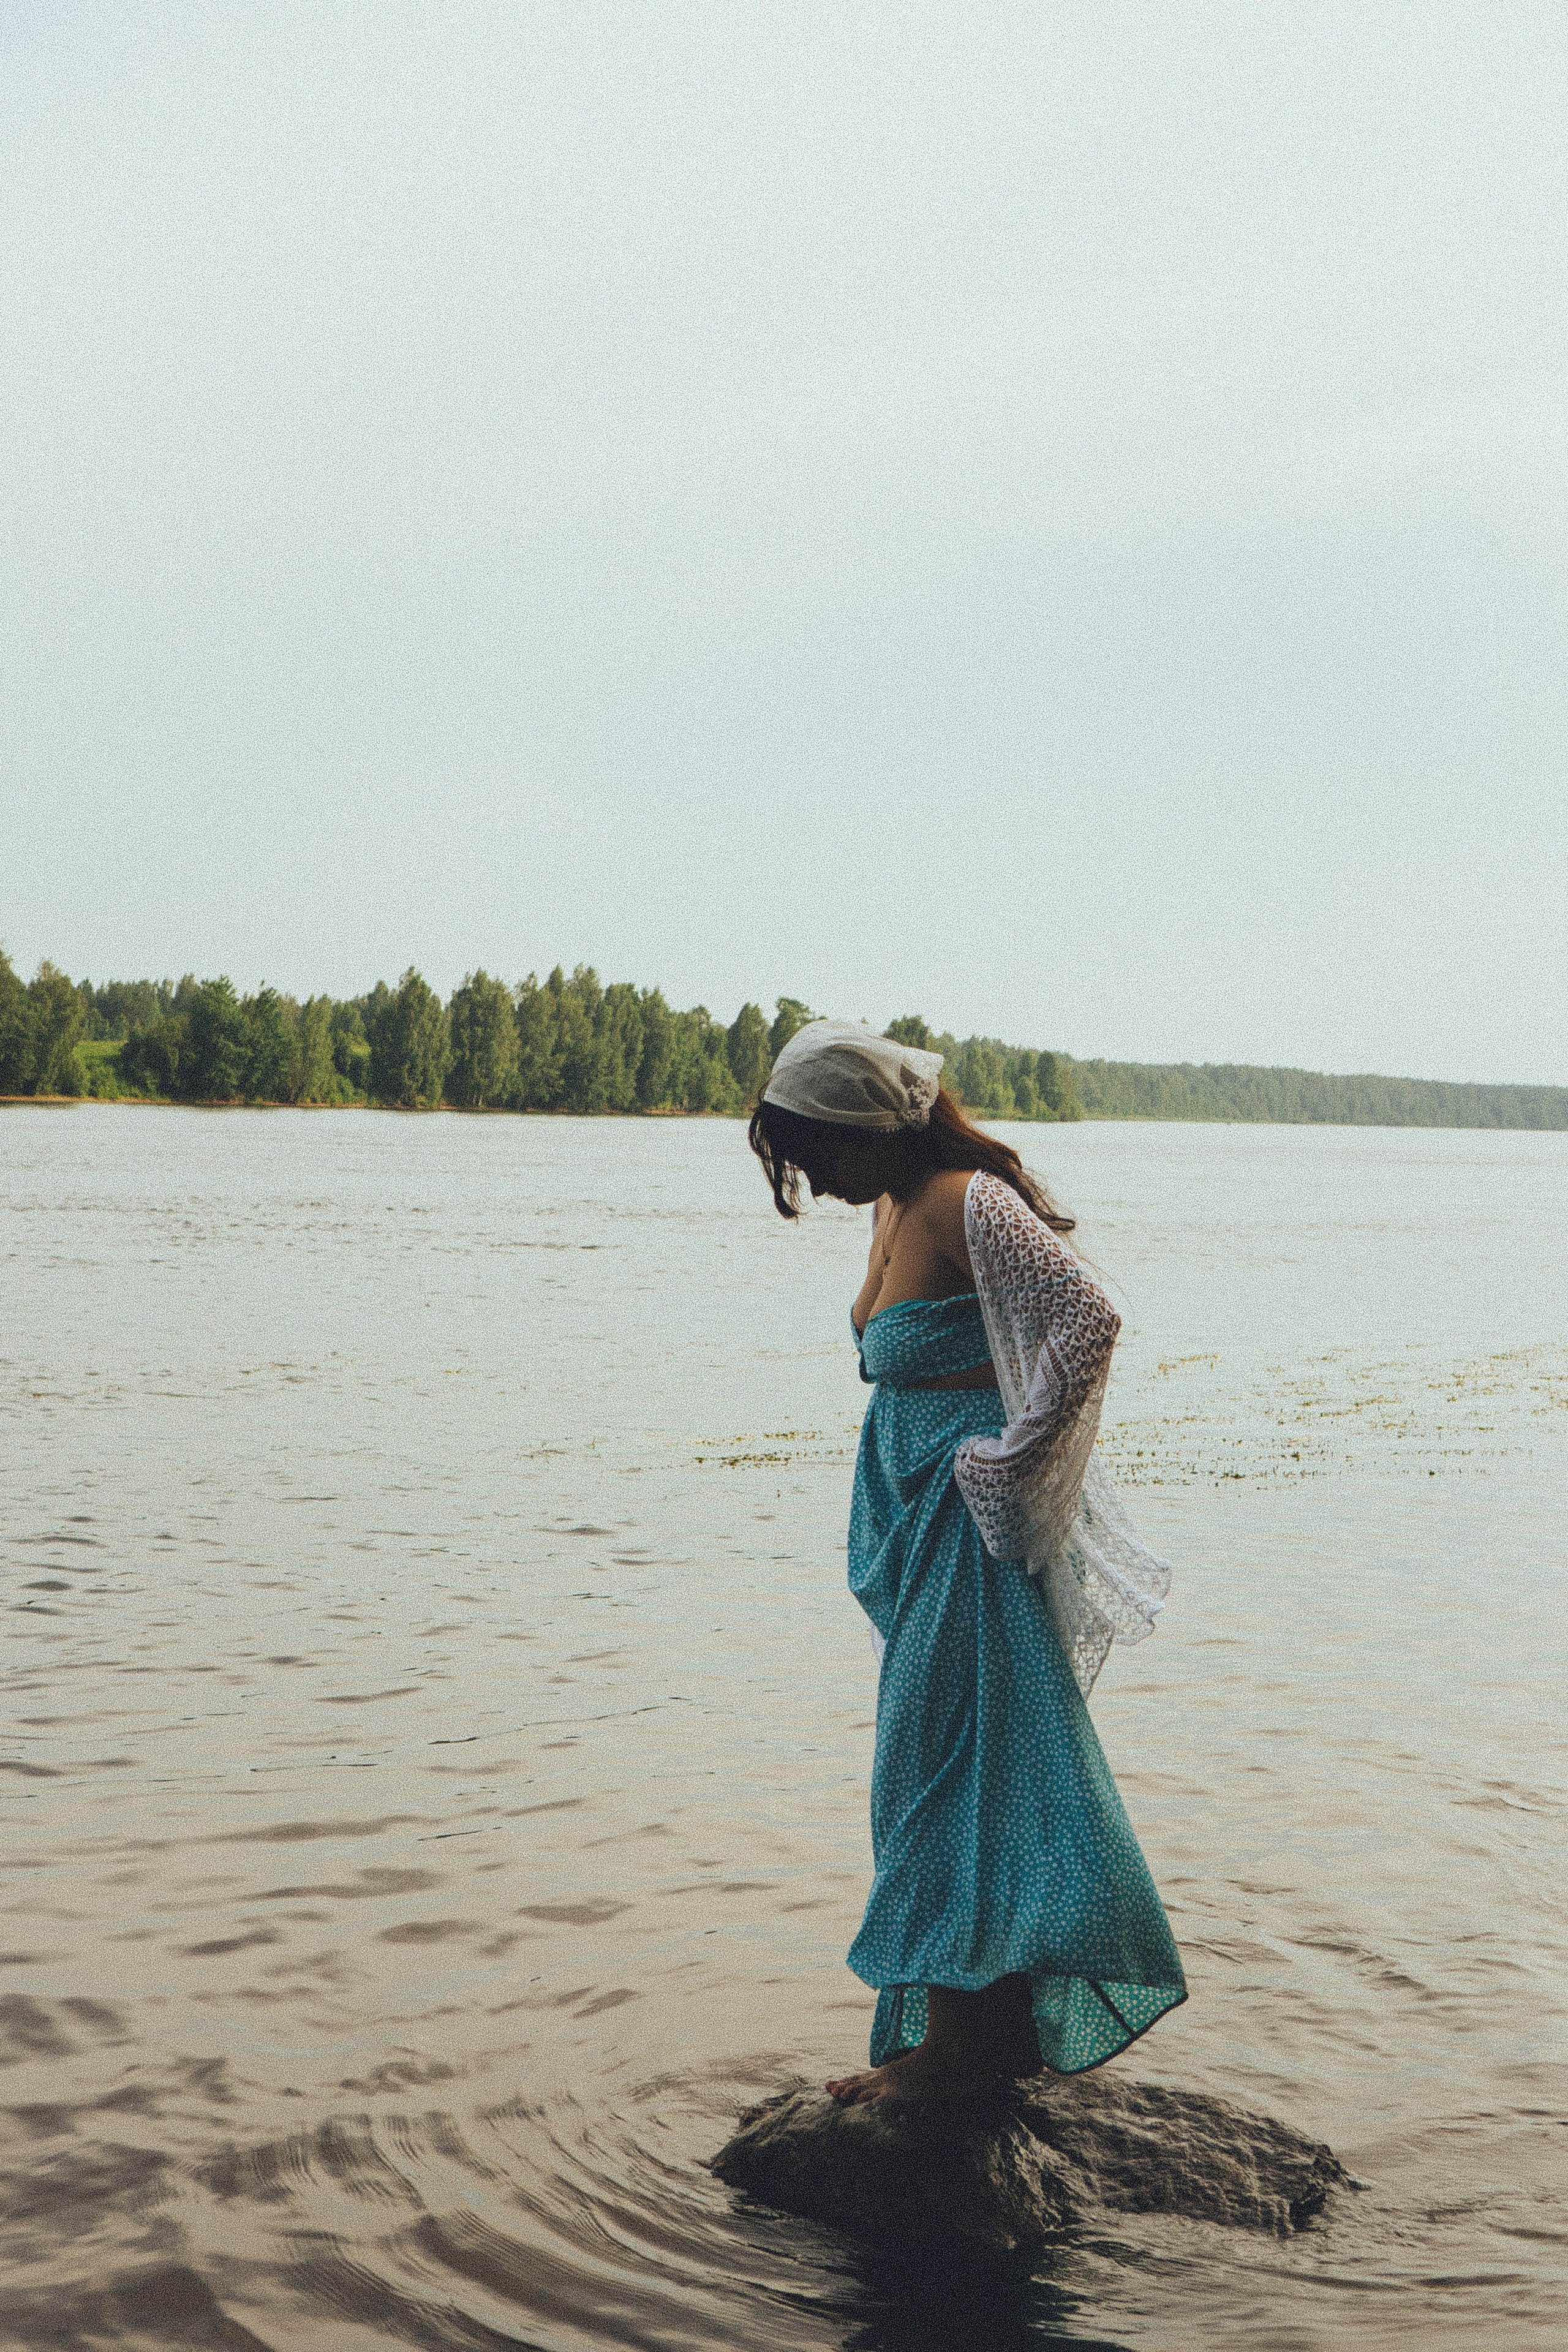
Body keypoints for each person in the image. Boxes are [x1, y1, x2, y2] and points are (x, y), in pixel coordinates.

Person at [750, 1020, 1186, 2105]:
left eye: (820, 1151)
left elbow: (1089, 1319)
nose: (814, 1176)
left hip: (963, 1534)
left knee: (940, 1777)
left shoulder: (963, 1199)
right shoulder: (899, 1204)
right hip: (918, 1534)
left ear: (871, 1125)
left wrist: (1007, 1463)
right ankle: (984, 2037)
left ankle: (954, 2056)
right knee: (949, 1774)